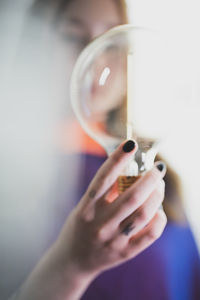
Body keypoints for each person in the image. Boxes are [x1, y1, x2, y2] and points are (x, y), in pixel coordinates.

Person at [8, 0, 200, 299]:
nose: (95, 58)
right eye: (73, 37)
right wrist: (72, 265)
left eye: (110, 40)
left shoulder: (162, 179)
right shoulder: (14, 176)